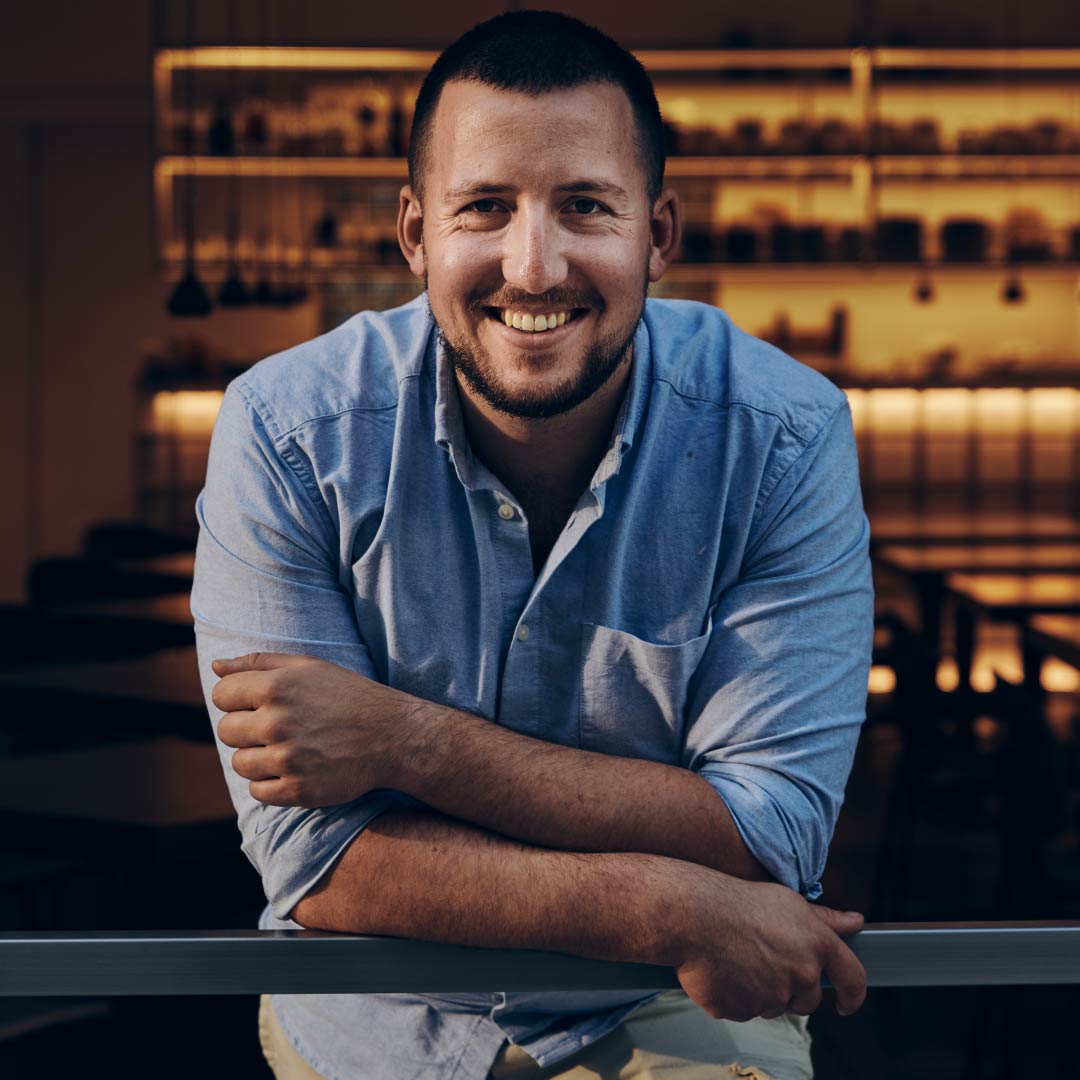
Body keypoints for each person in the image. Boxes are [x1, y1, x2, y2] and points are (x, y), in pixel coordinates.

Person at [192, 10, 874, 1080]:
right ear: (416, 235)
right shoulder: (285, 431)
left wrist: (403, 744)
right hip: (379, 1002)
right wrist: (670, 902)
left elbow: (771, 835)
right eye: (487, 208)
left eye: (586, 207)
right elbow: (318, 864)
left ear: (659, 233)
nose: (535, 265)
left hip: (675, 1007)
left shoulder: (782, 436)